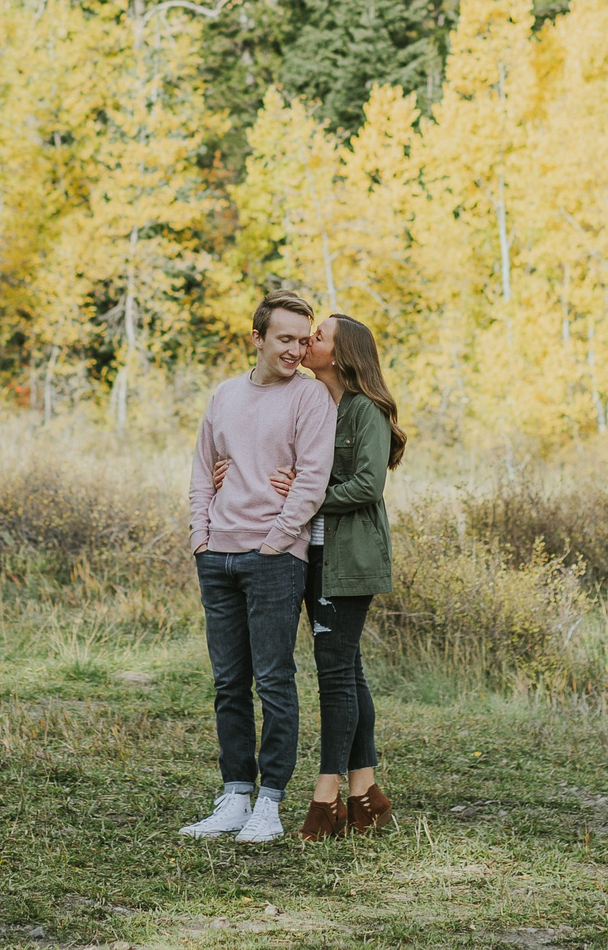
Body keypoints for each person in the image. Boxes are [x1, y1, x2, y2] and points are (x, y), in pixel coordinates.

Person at [215, 311, 406, 840]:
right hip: (312, 554)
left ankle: (327, 798)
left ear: (341, 355)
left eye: (317, 337)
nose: (306, 343)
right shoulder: (316, 401)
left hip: (350, 559)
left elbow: (367, 486)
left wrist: (306, 496)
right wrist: (233, 472)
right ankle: (366, 794)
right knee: (348, 671)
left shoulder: (365, 409)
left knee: (335, 674)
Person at [178, 290, 336, 843]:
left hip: (273, 560)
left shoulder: (311, 398)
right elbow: (202, 470)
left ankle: (270, 804)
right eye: (284, 339)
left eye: (302, 340)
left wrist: (277, 541)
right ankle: (235, 796)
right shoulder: (224, 394)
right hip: (217, 555)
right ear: (257, 339)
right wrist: (200, 537)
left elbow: (312, 479)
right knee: (228, 683)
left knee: (273, 681)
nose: (295, 349)